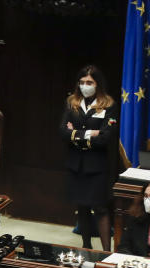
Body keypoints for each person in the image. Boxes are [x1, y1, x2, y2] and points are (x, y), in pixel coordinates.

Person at [60, 64, 119, 251]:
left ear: (98, 84)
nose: (85, 86)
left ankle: (106, 252)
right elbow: (62, 132)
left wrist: (76, 135)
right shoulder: (72, 102)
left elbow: (105, 138)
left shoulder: (109, 105)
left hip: (97, 165)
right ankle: (86, 248)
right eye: (82, 82)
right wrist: (90, 134)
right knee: (82, 207)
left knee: (100, 208)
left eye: (90, 82)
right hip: (76, 164)